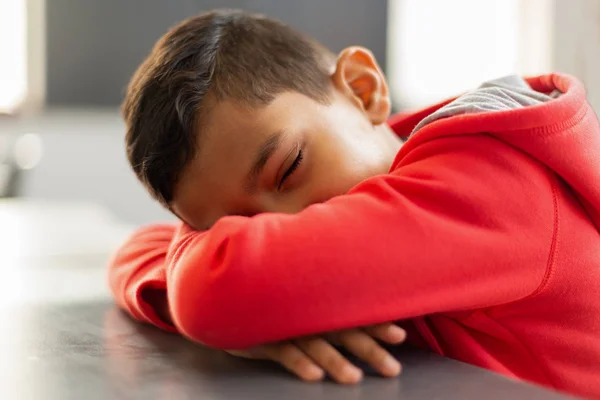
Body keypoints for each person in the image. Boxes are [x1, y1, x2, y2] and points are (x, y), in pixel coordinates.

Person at [109, 9, 600, 398]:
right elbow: (136, 249)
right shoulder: (402, 161)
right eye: (237, 226)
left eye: (289, 169)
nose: (291, 229)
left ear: (363, 89)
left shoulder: (491, 180)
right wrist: (257, 313)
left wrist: (243, 298)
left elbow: (208, 291)